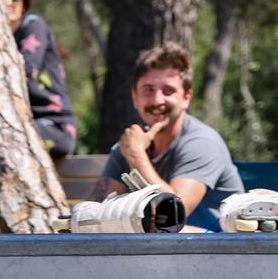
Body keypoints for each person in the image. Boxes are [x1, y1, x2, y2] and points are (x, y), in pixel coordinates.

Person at [93, 42, 242, 232]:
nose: (157, 100)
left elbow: (173, 215)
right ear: (135, 98)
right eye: (148, 90)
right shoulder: (129, 146)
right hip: (161, 252)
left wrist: (136, 156)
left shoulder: (202, 143)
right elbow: (93, 214)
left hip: (221, 250)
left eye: (168, 91)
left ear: (186, 97)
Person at [3, 0, 76, 158]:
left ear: (25, 1)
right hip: (22, 126)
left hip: (55, 128)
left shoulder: (33, 25)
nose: (7, 2)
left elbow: (24, 72)